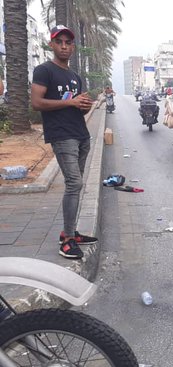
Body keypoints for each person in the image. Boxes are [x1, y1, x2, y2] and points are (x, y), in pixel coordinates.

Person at [30, 25, 96, 259]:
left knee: (75, 186)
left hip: (81, 134)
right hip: (62, 135)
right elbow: (36, 103)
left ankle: (71, 232)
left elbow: (78, 105)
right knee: (74, 184)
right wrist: (70, 103)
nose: (65, 46)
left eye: (68, 43)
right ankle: (67, 240)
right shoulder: (43, 70)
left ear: (73, 47)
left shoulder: (75, 76)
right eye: (60, 42)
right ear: (52, 45)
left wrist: (84, 105)